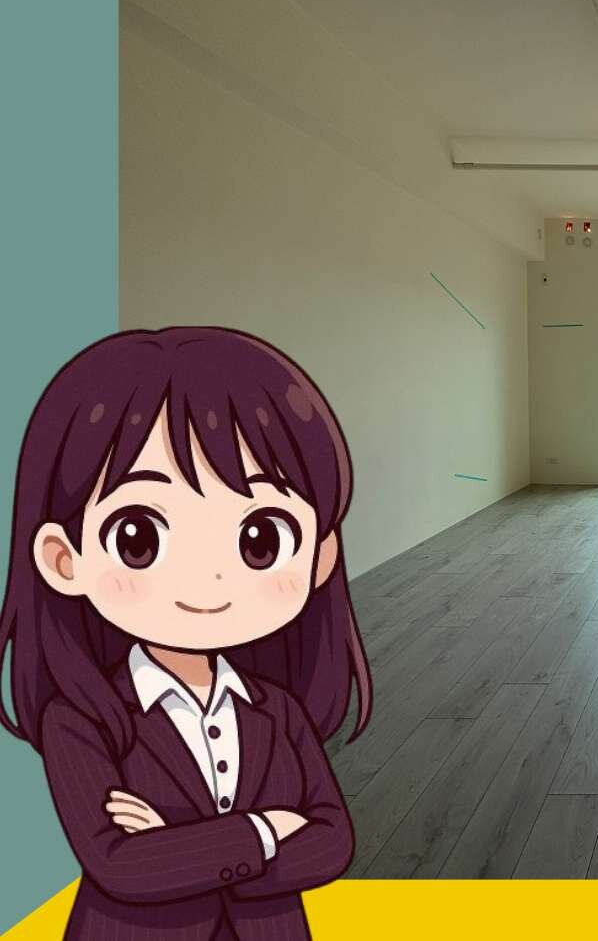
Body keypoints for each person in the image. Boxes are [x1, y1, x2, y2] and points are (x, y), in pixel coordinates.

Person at [0, 327, 372, 940]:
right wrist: (266, 831)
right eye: (138, 538)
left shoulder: (276, 709)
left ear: (320, 556)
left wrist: (183, 848)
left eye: (261, 538)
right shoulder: (80, 719)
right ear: (64, 559)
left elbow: (332, 841)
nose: (209, 578)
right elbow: (120, 865)